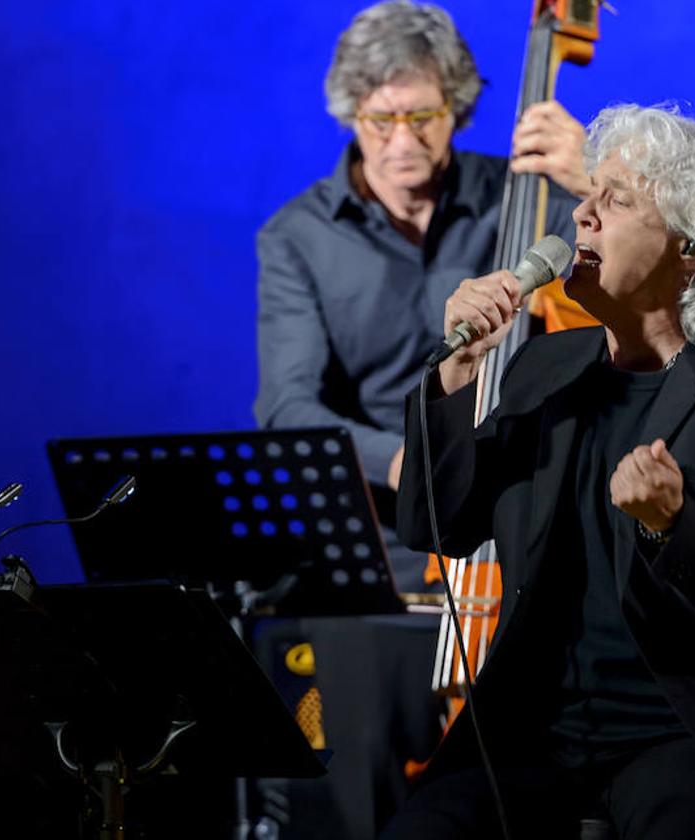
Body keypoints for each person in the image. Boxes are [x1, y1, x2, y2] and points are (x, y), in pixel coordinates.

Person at [386, 104, 695, 838]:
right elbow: (439, 524)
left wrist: (673, 528)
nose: (580, 217)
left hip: (680, 729)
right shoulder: (544, 365)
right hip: (534, 730)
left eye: (614, 200)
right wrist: (456, 374)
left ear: (692, 249)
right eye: (587, 196)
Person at [251, 3, 589, 838]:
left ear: (459, 109)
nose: (403, 140)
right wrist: (410, 459)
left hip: (514, 545)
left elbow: (634, 294)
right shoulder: (296, 237)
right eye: (381, 118)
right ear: (351, 115)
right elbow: (288, 407)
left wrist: (588, 180)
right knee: (358, 772)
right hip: (384, 556)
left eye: (424, 116)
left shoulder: (529, 201)